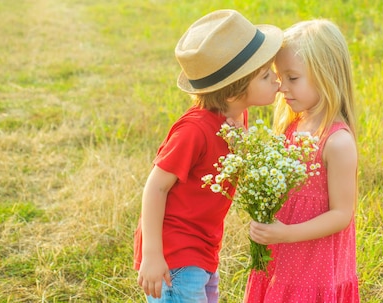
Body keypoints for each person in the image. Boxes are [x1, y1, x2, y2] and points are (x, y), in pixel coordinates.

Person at [133, 9, 283, 302]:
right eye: (266, 76)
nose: (276, 80)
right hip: (173, 256)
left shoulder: (237, 116)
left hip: (203, 249)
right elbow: (155, 186)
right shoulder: (195, 131)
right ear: (233, 92)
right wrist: (152, 255)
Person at [243, 19, 360, 303]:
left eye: (292, 78)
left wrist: (286, 234)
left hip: (315, 266)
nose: (282, 88)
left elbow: (342, 215)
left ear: (326, 75)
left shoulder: (337, 142)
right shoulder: (292, 126)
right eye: (279, 78)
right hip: (281, 257)